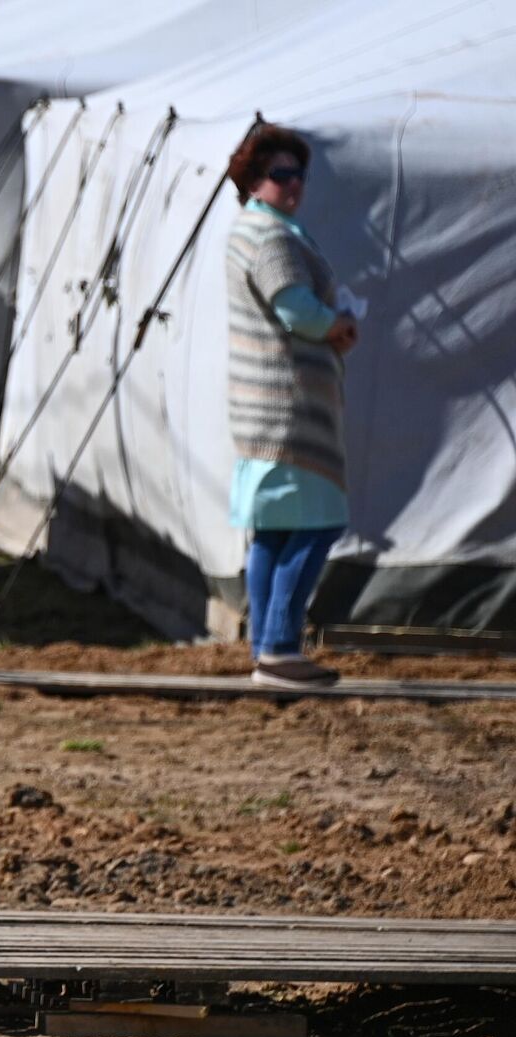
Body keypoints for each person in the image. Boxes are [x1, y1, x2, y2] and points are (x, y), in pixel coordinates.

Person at [224, 125, 358, 690]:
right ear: (256, 180)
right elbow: (296, 309)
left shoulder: (246, 229)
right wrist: (340, 325)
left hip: (260, 407)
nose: (294, 184)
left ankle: (266, 646)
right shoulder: (273, 237)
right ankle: (280, 646)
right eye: (281, 174)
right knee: (320, 523)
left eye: (299, 173)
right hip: (291, 411)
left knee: (273, 531)